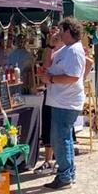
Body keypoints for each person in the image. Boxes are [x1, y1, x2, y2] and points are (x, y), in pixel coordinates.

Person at [39, 18, 87, 190]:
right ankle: (68, 173)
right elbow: (47, 64)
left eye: (61, 30)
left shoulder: (73, 51)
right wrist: (50, 47)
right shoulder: (66, 49)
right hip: (61, 100)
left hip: (66, 101)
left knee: (61, 139)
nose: (58, 33)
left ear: (68, 31)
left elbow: (73, 77)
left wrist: (51, 79)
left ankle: (65, 175)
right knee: (60, 138)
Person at [34, 28, 63, 175]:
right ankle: (48, 161)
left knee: (60, 129)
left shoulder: (69, 50)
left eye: (57, 34)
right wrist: (50, 46)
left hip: (62, 97)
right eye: (52, 34)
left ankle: (59, 162)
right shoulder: (53, 50)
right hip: (50, 93)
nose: (54, 36)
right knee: (47, 127)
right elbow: (45, 65)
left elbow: (88, 62)